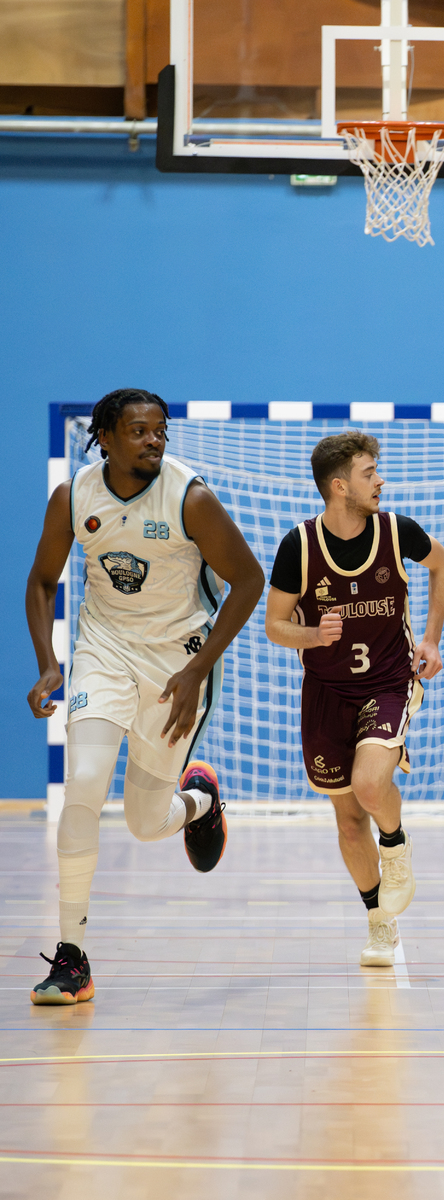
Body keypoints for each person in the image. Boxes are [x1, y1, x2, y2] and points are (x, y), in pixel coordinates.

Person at [24, 388, 264, 1005]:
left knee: (144, 822)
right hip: (103, 651)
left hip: (176, 661)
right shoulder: (74, 495)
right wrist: (49, 663)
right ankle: (72, 958)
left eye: (160, 430)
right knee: (83, 782)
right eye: (139, 431)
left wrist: (198, 670)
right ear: (104, 438)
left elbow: (248, 580)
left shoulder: (190, 498)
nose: (154, 440)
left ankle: (200, 802)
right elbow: (43, 582)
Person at [264, 432, 444, 969]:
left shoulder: (397, 531)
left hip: (389, 682)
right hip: (326, 692)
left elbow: (442, 564)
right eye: (370, 473)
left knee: (371, 784)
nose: (380, 480)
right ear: (339, 486)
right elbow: (275, 625)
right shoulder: (299, 546)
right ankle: (379, 921)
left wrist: (431, 639)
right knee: (348, 821)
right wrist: (312, 636)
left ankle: (394, 843)